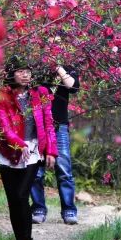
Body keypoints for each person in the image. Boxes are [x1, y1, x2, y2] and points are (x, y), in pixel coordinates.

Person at [0, 56, 57, 240]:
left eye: (28, 70)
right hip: (9, 152)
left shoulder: (41, 94)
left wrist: (51, 151)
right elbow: (4, 126)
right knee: (14, 201)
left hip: (33, 151)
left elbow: (48, 122)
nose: (26, 74)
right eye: (20, 70)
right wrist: (18, 144)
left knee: (22, 195)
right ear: (11, 74)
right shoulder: (1, 96)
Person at [30, 64, 80, 224]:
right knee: (36, 171)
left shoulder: (68, 69)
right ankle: (38, 207)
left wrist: (58, 68)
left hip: (60, 126)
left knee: (64, 169)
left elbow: (73, 87)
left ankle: (69, 210)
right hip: (36, 125)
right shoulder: (35, 68)